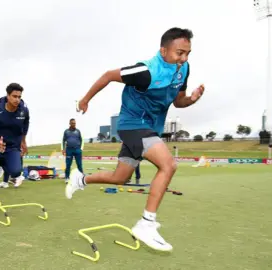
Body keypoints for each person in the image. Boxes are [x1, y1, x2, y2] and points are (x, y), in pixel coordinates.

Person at [65, 27, 205, 252]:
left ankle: (80, 179)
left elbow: (178, 102)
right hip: (132, 125)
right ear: (163, 50)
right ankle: (146, 224)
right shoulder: (146, 71)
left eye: (188, 53)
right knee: (168, 165)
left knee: (119, 177)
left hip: (150, 128)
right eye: (180, 53)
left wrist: (192, 99)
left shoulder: (183, 69)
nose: (184, 58)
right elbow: (109, 75)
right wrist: (85, 99)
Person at [0, 83, 29, 214]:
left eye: (19, 97)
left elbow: (25, 125)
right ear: (7, 96)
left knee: (16, 171)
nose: (17, 99)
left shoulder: (23, 110)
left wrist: (23, 141)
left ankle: (5, 165)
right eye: (14, 96)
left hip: (12, 147)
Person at [61, 118, 84, 183]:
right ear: (70, 124)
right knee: (68, 165)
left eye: (75, 123)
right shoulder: (66, 131)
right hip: (69, 150)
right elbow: (63, 140)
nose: (74, 124)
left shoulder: (78, 131)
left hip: (77, 150)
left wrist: (80, 149)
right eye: (73, 123)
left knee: (79, 164)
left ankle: (81, 178)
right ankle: (67, 178)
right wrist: (63, 149)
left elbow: (81, 140)